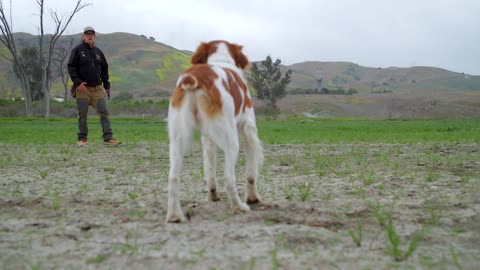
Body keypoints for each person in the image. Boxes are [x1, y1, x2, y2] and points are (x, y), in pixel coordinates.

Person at [68, 26, 121, 147]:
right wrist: (77, 82)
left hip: (97, 88)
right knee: (82, 114)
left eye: (92, 34)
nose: (90, 36)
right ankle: (82, 139)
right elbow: (71, 67)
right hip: (82, 89)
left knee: (104, 112)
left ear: (95, 36)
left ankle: (108, 138)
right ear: (83, 36)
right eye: (87, 34)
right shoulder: (77, 50)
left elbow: (104, 69)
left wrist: (107, 85)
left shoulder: (98, 52)